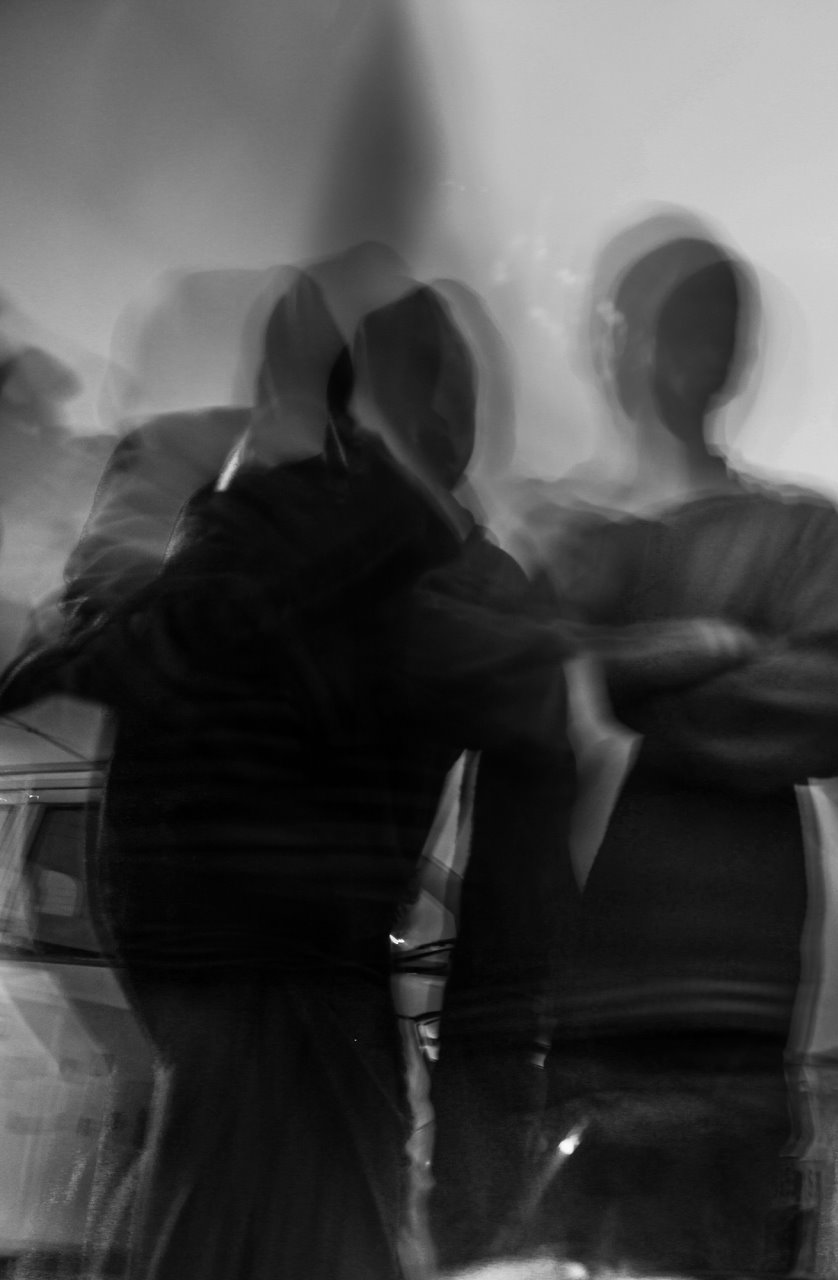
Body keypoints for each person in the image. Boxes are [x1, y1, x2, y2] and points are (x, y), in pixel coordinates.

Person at [0, 274, 573, 1280]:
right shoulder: (460, 580)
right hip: (300, 983)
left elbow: (136, 729)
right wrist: (483, 1140)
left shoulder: (248, 531)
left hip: (251, 984)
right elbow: (516, 901)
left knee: (221, 1222)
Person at [521, 216, 838, 1276]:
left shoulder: (797, 528)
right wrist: (699, 646)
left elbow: (831, 707)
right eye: (665, 326)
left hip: (733, 991)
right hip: (585, 984)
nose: (682, 355)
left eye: (712, 328)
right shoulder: (567, 536)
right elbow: (519, 687)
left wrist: (626, 668)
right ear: (614, 341)